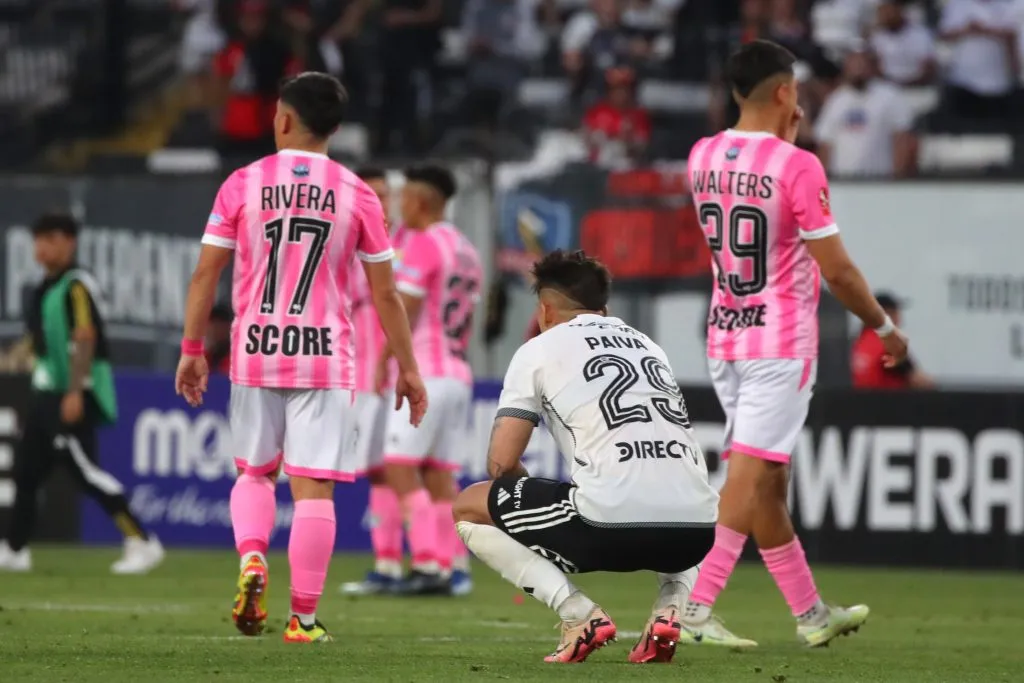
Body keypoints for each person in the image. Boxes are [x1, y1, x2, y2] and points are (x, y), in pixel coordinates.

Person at [175, 72, 427, 644]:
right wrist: (409, 369)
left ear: (284, 119)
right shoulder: (358, 192)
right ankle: (303, 619)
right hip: (324, 355)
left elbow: (206, 274)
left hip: (255, 349)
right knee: (314, 488)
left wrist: (193, 349)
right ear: (335, 127)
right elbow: (386, 294)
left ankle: (252, 559)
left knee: (255, 473)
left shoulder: (242, 183)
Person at [683, 39, 909, 648]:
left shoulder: (702, 154)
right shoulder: (797, 164)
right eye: (798, 92)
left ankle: (811, 614)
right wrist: (884, 327)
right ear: (785, 92)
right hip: (779, 340)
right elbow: (836, 271)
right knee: (749, 477)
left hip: (726, 334)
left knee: (767, 483)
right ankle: (693, 606)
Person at [452, 249, 719, 664]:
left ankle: (578, 615)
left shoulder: (537, 350)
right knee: (678, 487)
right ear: (605, 308)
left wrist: (522, 502)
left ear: (543, 310)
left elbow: (502, 465)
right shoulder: (649, 346)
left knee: (469, 507)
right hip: (697, 535)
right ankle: (670, 607)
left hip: (606, 524)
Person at [0, 213, 164, 575]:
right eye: (39, 238)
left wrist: (75, 390)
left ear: (69, 242)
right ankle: (15, 549)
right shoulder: (44, 287)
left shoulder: (77, 285)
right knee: (27, 472)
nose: (43, 246)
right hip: (49, 391)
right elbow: (39, 341)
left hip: (75, 390)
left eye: (51, 238)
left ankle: (141, 539)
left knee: (86, 471)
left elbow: (85, 336)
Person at [377, 165, 482, 596]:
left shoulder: (422, 245)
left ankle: (426, 563)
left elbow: (407, 309)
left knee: (399, 467)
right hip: (458, 372)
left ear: (420, 201)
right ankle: (451, 563)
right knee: (440, 477)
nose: (399, 206)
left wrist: (384, 362)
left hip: (429, 372)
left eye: (403, 198)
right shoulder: (466, 248)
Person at [338, 167, 411, 596]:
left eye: (386, 195)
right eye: (375, 195)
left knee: (400, 471)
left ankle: (420, 563)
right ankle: (395, 563)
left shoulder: (405, 246)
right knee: (381, 472)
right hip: (363, 376)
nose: (382, 203)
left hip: (394, 374)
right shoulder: (347, 246)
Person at [814, 46, 917, 178]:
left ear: (872, 66)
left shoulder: (890, 96)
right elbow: (825, 143)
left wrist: (897, 178)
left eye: (862, 63)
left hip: (881, 180)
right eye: (853, 63)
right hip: (842, 181)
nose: (858, 69)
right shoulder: (836, 99)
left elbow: (903, 139)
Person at [852, 292, 934, 389]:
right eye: (896, 312)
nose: (899, 318)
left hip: (861, 401)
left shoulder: (861, 341)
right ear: (885, 314)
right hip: (889, 401)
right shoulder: (889, 343)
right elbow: (918, 380)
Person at [205, 303, 233, 375]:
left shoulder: (236, 359)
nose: (215, 330)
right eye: (213, 325)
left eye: (220, 326)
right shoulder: (202, 357)